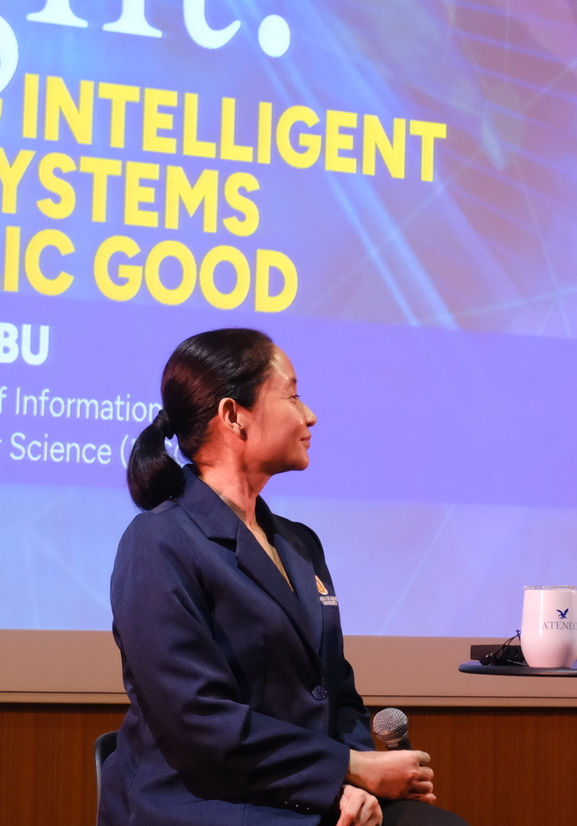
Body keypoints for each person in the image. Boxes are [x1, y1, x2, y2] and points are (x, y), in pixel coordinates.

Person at [100, 328, 468, 826]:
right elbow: (198, 720)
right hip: (213, 805)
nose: (309, 414)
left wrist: (358, 781)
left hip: (310, 794)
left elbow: (338, 693)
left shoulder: (299, 543)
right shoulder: (158, 542)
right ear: (233, 416)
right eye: (292, 395)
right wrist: (346, 771)